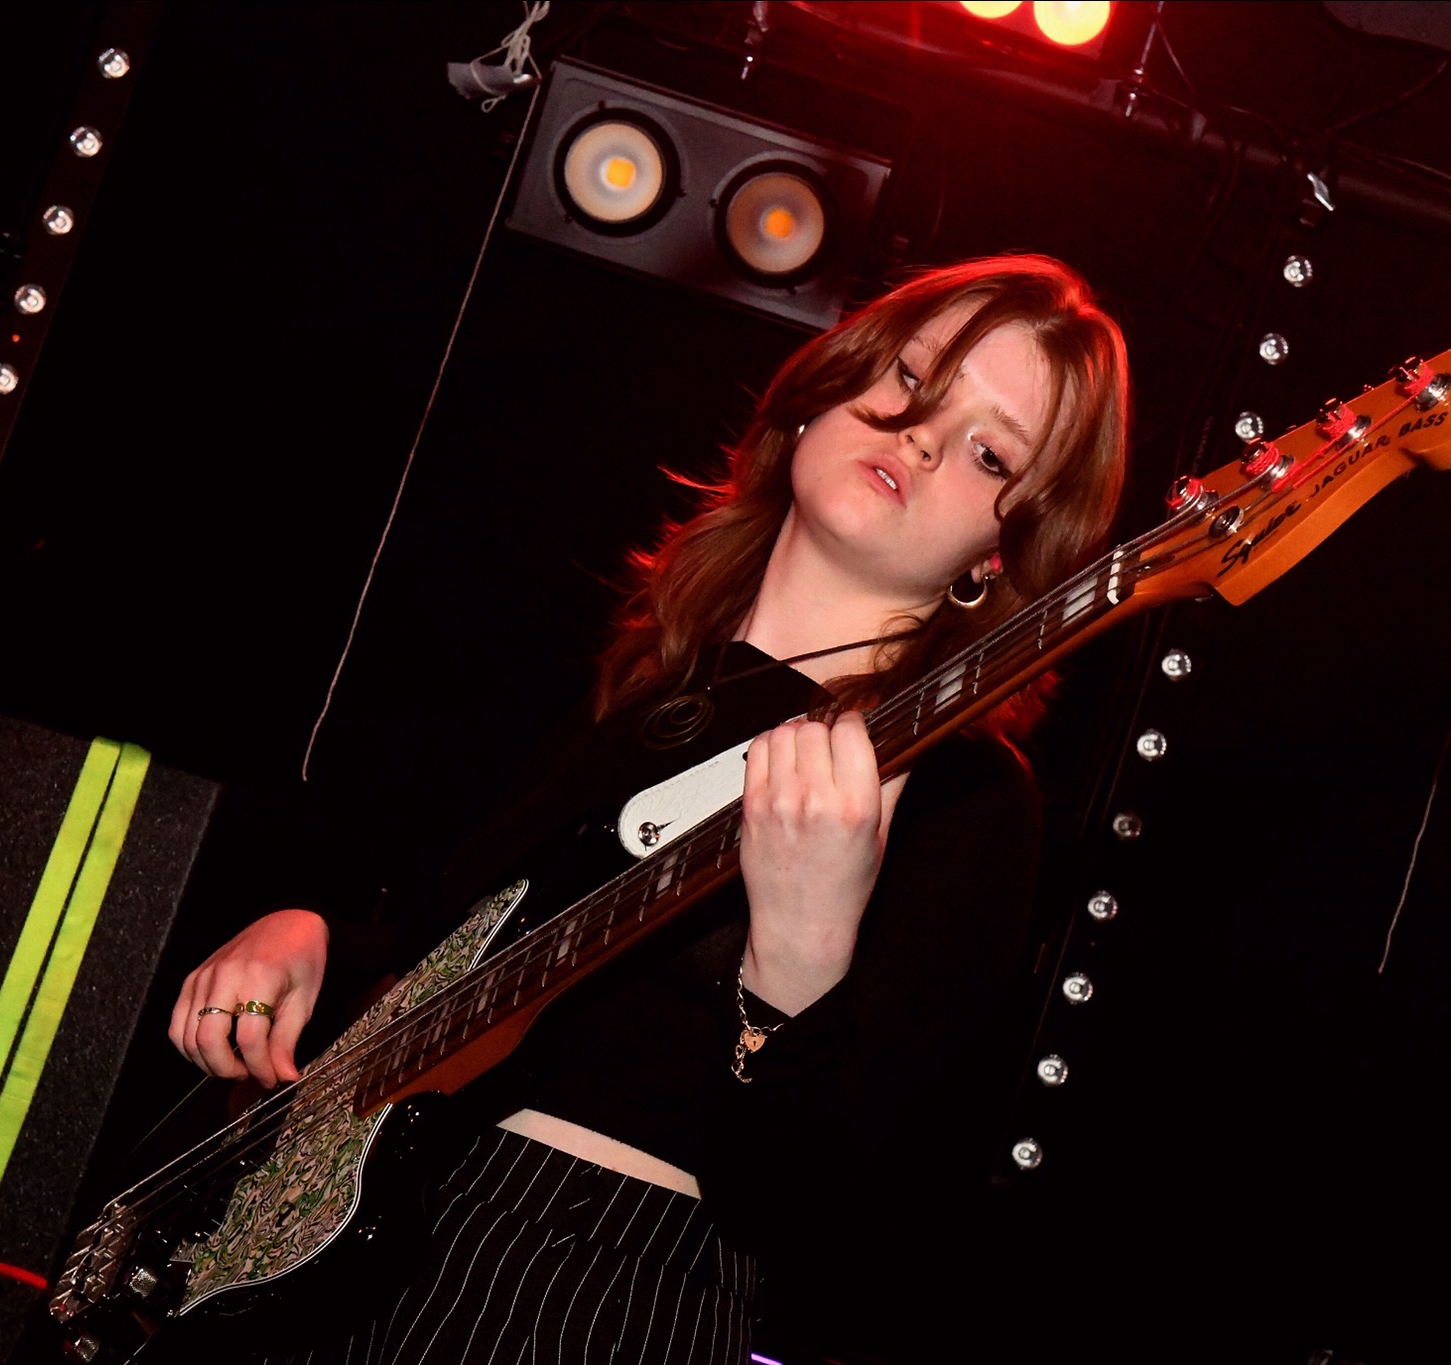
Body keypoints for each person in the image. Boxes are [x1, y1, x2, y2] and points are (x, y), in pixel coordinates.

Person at [166, 254, 1131, 1363]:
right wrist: (315, 939)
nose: (920, 437)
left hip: (581, 1281)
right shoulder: (648, 686)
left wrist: (799, 960)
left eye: (988, 452)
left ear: (996, 557)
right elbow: (459, 946)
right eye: (914, 379)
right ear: (830, 386)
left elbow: (814, 1210)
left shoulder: (959, 795)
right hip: (363, 1231)